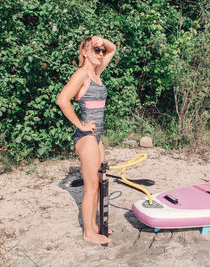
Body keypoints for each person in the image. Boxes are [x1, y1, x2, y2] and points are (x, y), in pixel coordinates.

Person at [57, 36, 116, 244]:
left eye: (101, 50)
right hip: (86, 137)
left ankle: (96, 226)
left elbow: (113, 49)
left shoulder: (96, 73)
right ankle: (88, 233)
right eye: (96, 50)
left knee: (99, 183)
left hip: (97, 138)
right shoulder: (82, 74)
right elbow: (62, 100)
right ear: (84, 52)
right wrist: (80, 125)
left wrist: (101, 41)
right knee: (91, 185)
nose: (101, 53)